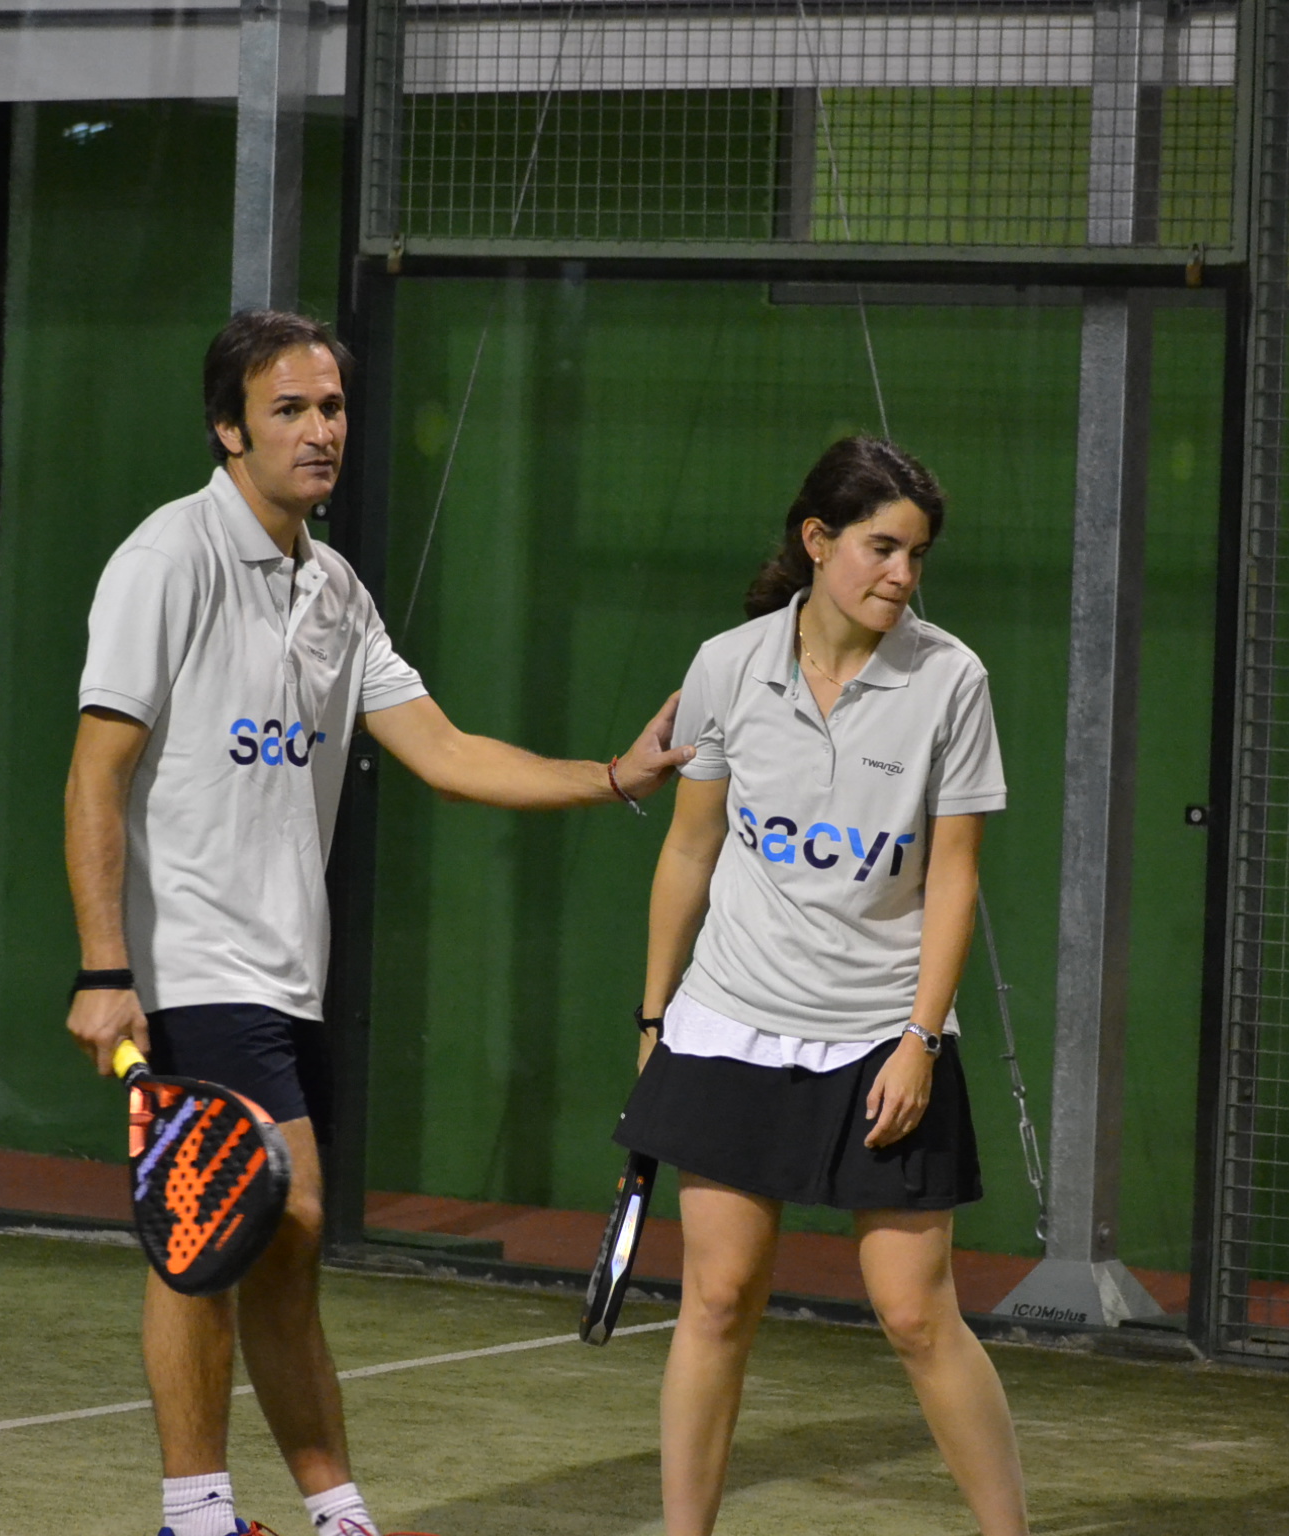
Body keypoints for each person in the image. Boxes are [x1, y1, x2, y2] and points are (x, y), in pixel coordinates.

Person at [64, 309, 691, 1536]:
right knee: (231, 1223)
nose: (321, 430)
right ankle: (205, 1515)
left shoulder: (334, 588)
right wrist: (104, 968)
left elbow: (444, 751)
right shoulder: (167, 559)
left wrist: (616, 775)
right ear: (228, 427)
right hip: (195, 963)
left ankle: (325, 1514)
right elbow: (96, 774)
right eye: (289, 409)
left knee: (278, 1241)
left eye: (334, 407)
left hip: (288, 973)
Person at [617, 436, 1029, 1536]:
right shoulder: (727, 665)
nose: (902, 574)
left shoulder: (952, 679)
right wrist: (656, 1016)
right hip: (730, 1021)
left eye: (917, 555)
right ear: (816, 540)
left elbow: (954, 876)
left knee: (915, 1315)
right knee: (716, 1300)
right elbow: (690, 849)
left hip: (879, 1035)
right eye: (881, 548)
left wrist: (920, 1040)